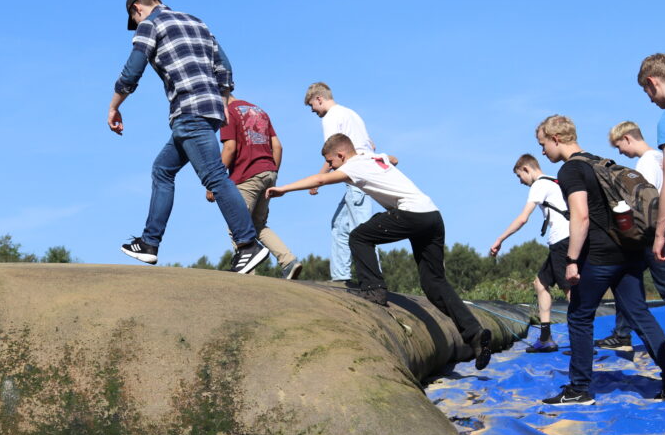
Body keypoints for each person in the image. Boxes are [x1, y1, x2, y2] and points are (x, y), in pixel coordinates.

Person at [266, 133, 493, 370]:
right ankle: (475, 334)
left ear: (341, 155)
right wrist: (378, 156)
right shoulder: (371, 157)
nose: (330, 168)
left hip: (411, 214)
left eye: (331, 163)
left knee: (359, 236)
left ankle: (374, 290)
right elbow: (393, 159)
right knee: (434, 283)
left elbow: (320, 180)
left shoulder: (354, 165)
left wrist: (284, 189)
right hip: (432, 215)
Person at [108, 0, 268, 274]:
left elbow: (133, 70)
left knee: (215, 177)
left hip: (188, 113)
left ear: (137, 9)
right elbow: (226, 70)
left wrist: (114, 106)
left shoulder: (150, 24)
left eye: (135, 15)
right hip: (209, 111)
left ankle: (248, 245)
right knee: (163, 169)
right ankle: (149, 243)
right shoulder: (197, 22)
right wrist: (216, 102)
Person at [534, 115, 665, 404]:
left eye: (542, 144)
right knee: (640, 314)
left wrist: (572, 259)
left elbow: (581, 215)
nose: (543, 151)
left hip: (600, 257)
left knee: (578, 316)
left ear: (555, 139)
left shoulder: (570, 170)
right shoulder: (598, 162)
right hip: (629, 252)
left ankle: (579, 389)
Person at [597, 121, 665, 364]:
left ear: (627, 138)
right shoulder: (664, 157)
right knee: (626, 279)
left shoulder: (646, 163)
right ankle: (622, 334)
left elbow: (639, 202)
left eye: (619, 146)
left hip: (653, 235)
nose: (620, 152)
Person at [206, 97, 302, 279]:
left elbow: (229, 148)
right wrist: (272, 174)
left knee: (238, 225)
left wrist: (213, 180)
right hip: (268, 172)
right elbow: (278, 147)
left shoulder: (228, 112)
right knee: (257, 225)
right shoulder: (259, 111)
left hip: (246, 175)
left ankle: (247, 274)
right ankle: (289, 261)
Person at [489, 154, 571, 353]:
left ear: (526, 169)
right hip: (563, 239)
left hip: (563, 240)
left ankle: (581, 339)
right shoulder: (555, 181)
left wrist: (501, 239)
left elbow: (523, 218)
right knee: (540, 283)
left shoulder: (540, 184)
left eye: (519, 176)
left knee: (570, 289)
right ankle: (545, 338)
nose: (521, 182)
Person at [303, 82, 376, 282]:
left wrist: (318, 180)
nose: (312, 110)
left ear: (319, 98)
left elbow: (332, 153)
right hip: (363, 172)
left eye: (312, 105)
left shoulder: (331, 117)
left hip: (357, 175)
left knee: (362, 227)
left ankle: (373, 279)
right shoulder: (352, 114)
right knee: (339, 225)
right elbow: (371, 144)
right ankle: (341, 277)